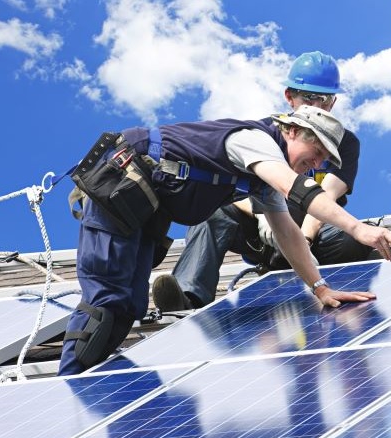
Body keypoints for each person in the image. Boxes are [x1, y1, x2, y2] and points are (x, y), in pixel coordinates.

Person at [58, 104, 391, 376]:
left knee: (131, 306)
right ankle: (68, 392)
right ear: (291, 129)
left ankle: (88, 395)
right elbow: (294, 188)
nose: (314, 165)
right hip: (120, 185)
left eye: (321, 163)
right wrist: (358, 229)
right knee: (107, 302)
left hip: (144, 208)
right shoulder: (253, 141)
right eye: (314, 154)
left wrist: (320, 288)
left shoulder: (261, 180)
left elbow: (287, 231)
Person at [152, 51, 370, 312]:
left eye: (324, 99)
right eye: (309, 97)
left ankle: (328, 281)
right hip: (263, 229)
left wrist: (305, 238)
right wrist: (261, 216)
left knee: (352, 236)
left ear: (332, 103)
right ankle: (188, 298)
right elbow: (239, 186)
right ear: (290, 98)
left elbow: (327, 195)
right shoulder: (266, 134)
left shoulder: (342, 143)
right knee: (212, 213)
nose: (316, 105)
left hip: (312, 232)